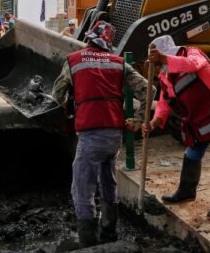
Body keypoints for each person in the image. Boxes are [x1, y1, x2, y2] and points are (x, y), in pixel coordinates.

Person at [51, 21, 153, 248]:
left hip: (90, 136)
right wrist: (139, 119)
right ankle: (109, 235)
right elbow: (149, 90)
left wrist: (70, 111)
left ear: (88, 39)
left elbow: (57, 95)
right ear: (108, 44)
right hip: (114, 136)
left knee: (82, 188)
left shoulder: (74, 61)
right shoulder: (119, 64)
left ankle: (88, 243)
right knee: (108, 180)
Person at [143, 35, 210, 221]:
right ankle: (186, 191)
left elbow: (194, 65)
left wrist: (165, 59)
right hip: (200, 119)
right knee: (192, 153)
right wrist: (153, 122)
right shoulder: (166, 76)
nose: (159, 67)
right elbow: (165, 102)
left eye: (161, 61)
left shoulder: (193, 54)